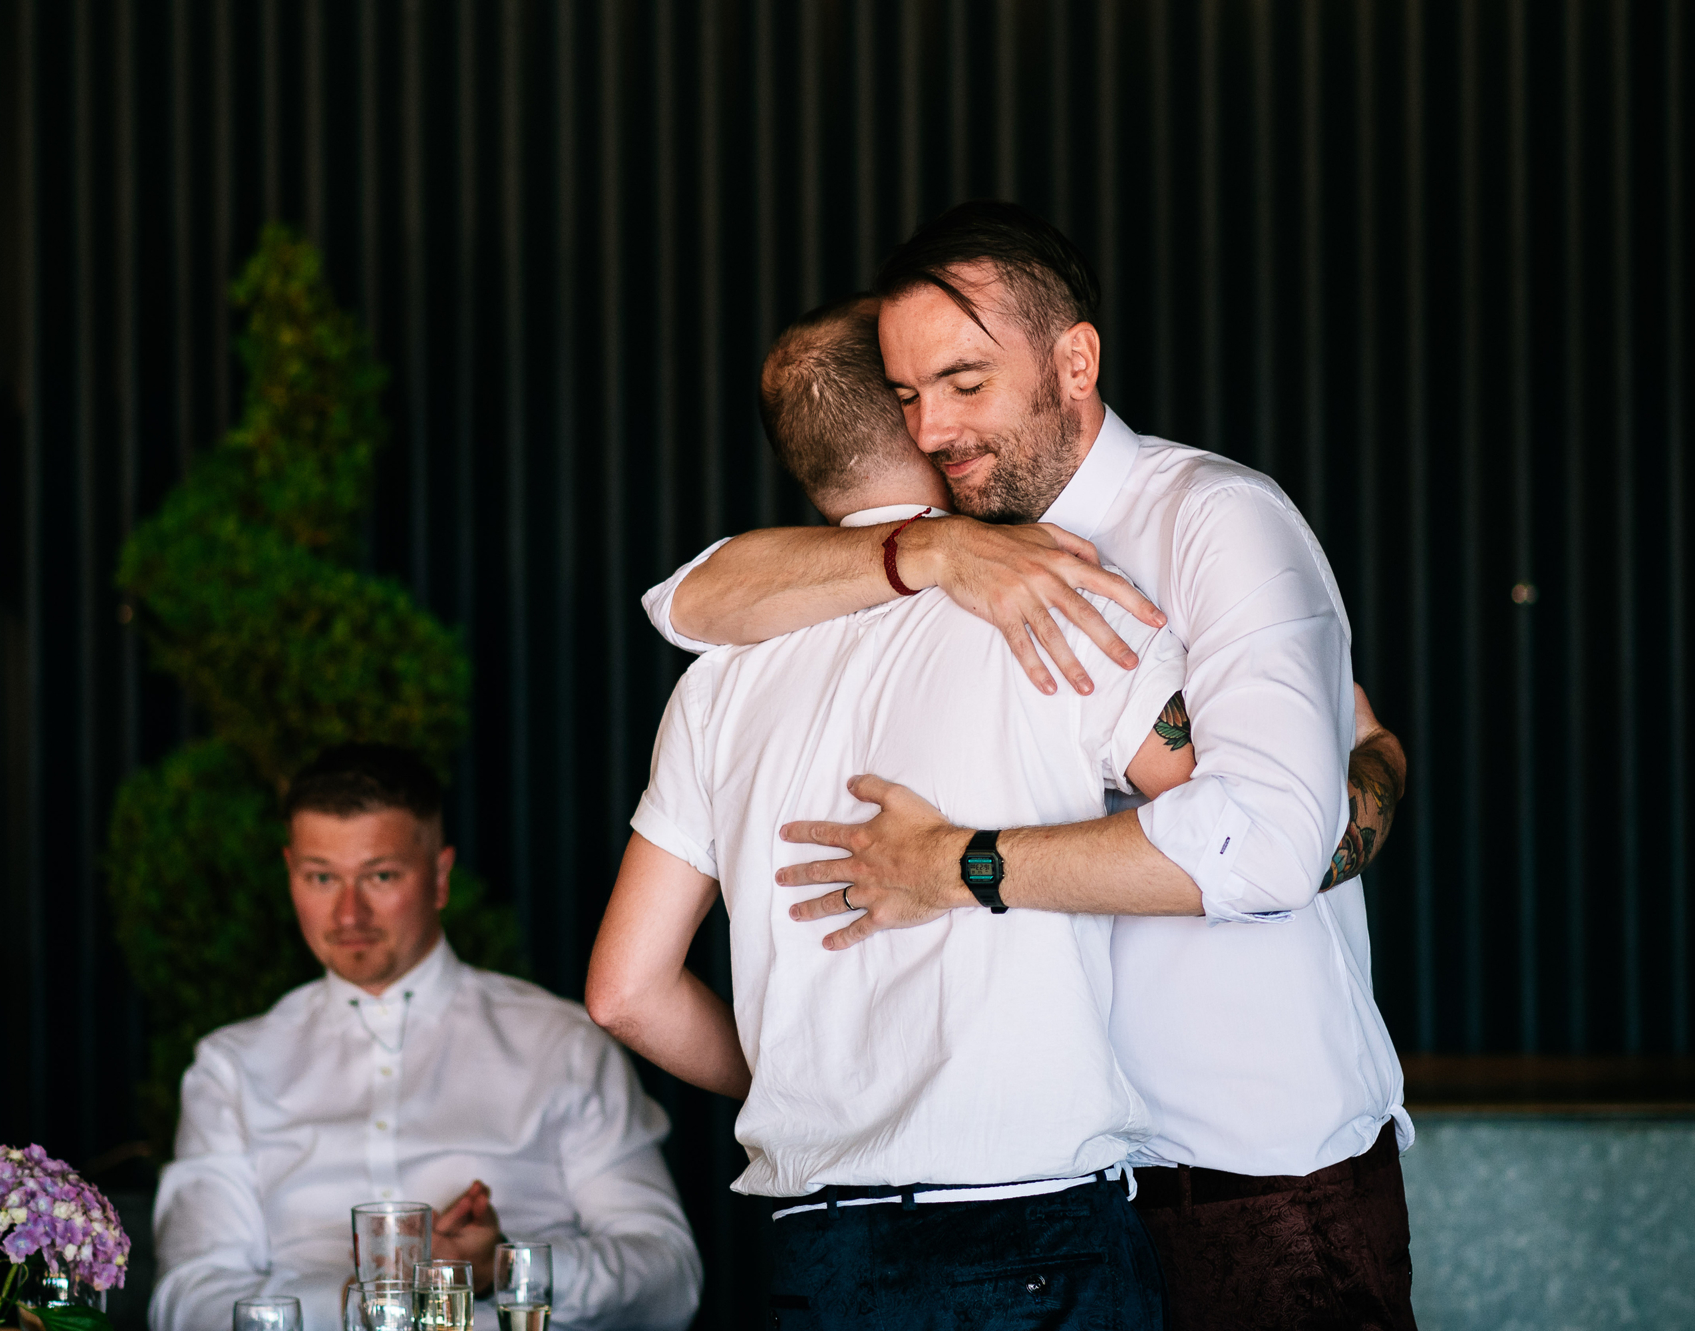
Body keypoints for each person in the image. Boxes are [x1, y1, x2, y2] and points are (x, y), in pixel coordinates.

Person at [640, 202, 1413, 1331]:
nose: (936, 426)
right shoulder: (946, 554)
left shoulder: (1217, 520)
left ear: (1073, 360)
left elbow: (1268, 845)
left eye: (962, 382)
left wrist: (959, 865)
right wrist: (938, 547)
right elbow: (690, 598)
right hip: (1060, 1195)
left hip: (1244, 1176)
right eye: (906, 398)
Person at [588, 295, 1204, 1327]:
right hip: (1031, 1229)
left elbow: (623, 989)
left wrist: (798, 1075)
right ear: (920, 420)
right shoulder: (1046, 594)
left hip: (815, 1246)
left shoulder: (717, 682)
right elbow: (1233, 826)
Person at [149, 744, 701, 1331]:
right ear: (290, 873)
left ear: (439, 877)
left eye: (380, 875)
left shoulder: (560, 1043)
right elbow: (187, 1298)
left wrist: (501, 1268)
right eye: (320, 878)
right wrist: (368, 1304)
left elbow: (670, 1278)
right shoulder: (231, 1067)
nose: (348, 914)